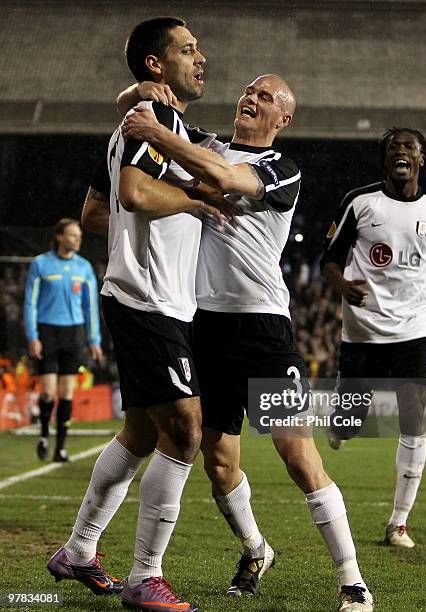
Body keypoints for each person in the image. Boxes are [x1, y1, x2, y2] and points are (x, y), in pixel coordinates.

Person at [120, 74, 374, 612]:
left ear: (283, 119)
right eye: (248, 92)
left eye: (265, 97)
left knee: (299, 457)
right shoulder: (205, 145)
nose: (249, 99)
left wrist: (165, 139)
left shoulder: (281, 170)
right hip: (205, 327)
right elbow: (145, 115)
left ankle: (351, 578)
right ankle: (256, 548)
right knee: (217, 463)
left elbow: (222, 175)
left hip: (263, 331)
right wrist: (138, 94)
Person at [46, 17, 229, 612]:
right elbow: (130, 194)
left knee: (143, 433)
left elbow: (96, 214)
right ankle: (146, 576)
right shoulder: (160, 123)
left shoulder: (146, 121)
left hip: (151, 298)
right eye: (187, 49)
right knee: (186, 430)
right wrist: (197, 200)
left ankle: (77, 551)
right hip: (148, 300)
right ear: (156, 64)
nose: (201, 57)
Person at [320, 127, 426, 548]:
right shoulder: (360, 204)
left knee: (414, 414)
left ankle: (398, 523)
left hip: (414, 328)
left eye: (409, 146)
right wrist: (342, 286)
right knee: (348, 426)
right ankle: (343, 419)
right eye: (394, 147)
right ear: (385, 159)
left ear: (421, 158)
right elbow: (330, 260)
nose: (401, 152)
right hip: (361, 329)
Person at [23, 218, 102, 462]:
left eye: (79, 236)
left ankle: (60, 448)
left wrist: (94, 340)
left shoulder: (84, 268)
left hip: (74, 334)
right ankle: (45, 433)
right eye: (72, 235)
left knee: (67, 392)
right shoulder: (41, 264)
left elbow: (91, 307)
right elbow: (30, 303)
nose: (78, 239)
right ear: (59, 237)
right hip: (48, 332)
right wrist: (32, 336)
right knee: (48, 392)